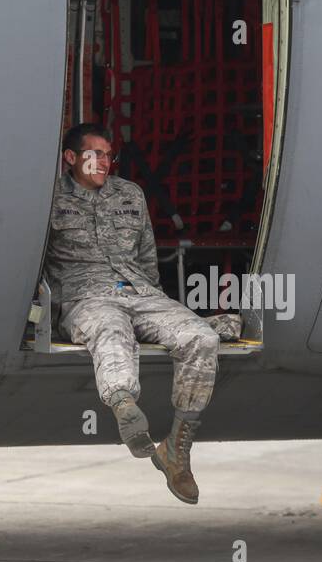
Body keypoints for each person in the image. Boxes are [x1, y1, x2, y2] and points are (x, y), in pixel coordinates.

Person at [43, 123, 220, 504]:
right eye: (95, 154)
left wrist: (153, 302)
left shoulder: (129, 194)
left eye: (109, 154)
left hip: (138, 291)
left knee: (202, 336)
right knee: (110, 329)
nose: (105, 161)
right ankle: (124, 405)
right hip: (82, 295)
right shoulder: (49, 196)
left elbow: (146, 255)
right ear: (71, 158)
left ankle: (177, 447)